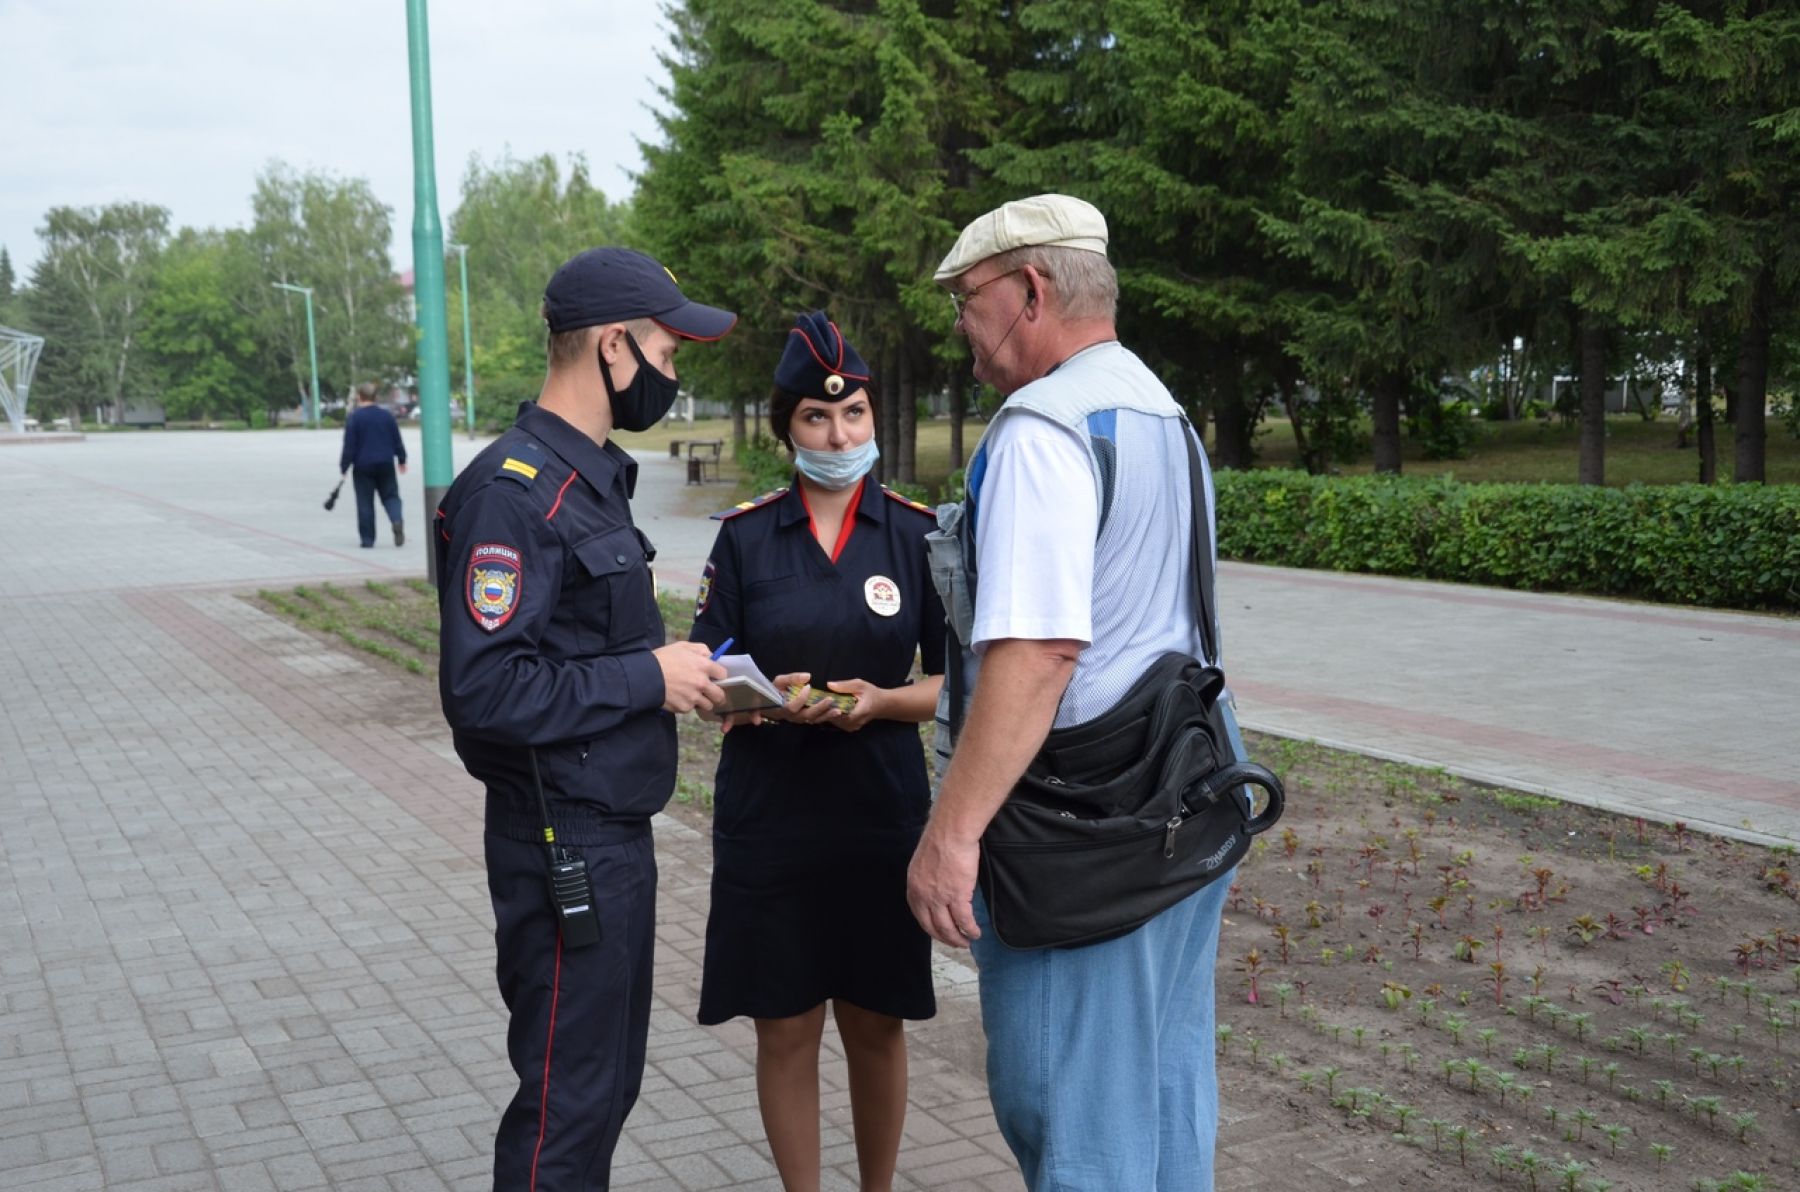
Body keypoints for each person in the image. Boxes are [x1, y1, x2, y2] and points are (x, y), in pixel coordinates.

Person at [905, 194, 1236, 1189]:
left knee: (1078, 1127)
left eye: (968, 300)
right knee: (1165, 1097)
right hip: (1179, 802)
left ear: (1032, 290)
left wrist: (951, 835)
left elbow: (1039, 653)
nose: (961, 327)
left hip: (1078, 842)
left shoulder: (1043, 430)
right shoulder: (1155, 409)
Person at [433, 247, 735, 1191]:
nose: (673, 376)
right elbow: (485, 690)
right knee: (567, 1104)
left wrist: (670, 674)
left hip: (608, 835)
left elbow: (572, 652)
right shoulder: (515, 493)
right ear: (614, 347)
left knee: (600, 1092)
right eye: (668, 352)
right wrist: (648, 677)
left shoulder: (587, 478)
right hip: (561, 838)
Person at [688, 311, 945, 1192]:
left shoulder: (919, 535)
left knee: (876, 1021)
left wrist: (882, 702)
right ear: (786, 427)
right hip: (772, 816)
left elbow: (964, 681)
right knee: (785, 1023)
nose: (840, 434)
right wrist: (759, 697)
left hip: (881, 814)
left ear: (873, 420)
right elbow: (702, 672)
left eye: (855, 416)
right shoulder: (747, 535)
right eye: (817, 418)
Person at [338, 382, 409, 547]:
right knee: (391, 496)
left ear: (359, 397)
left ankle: (367, 540)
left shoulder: (355, 417)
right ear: (375, 397)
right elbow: (396, 439)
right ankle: (396, 519)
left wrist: (344, 467)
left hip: (363, 466)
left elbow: (349, 445)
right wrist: (402, 459)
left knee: (365, 502)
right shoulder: (387, 416)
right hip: (385, 463)